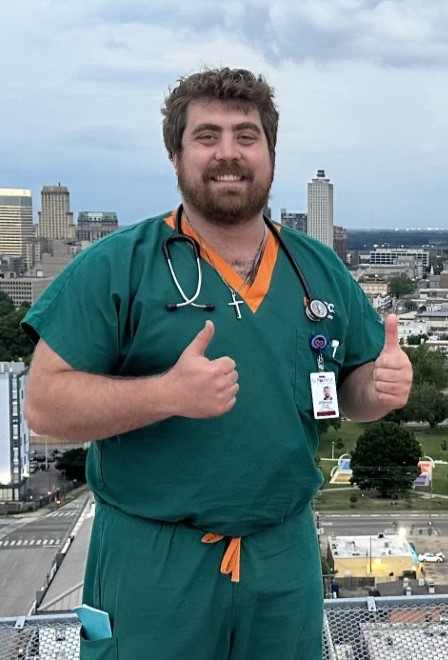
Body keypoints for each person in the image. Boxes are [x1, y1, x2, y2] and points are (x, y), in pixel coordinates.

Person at [22, 67, 412, 659]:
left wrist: (378, 390)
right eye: (206, 136)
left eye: (245, 135)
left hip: (283, 559)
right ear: (175, 156)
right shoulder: (116, 267)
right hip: (154, 564)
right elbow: (44, 407)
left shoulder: (317, 268)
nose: (227, 153)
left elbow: (351, 393)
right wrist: (166, 396)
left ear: (270, 153)